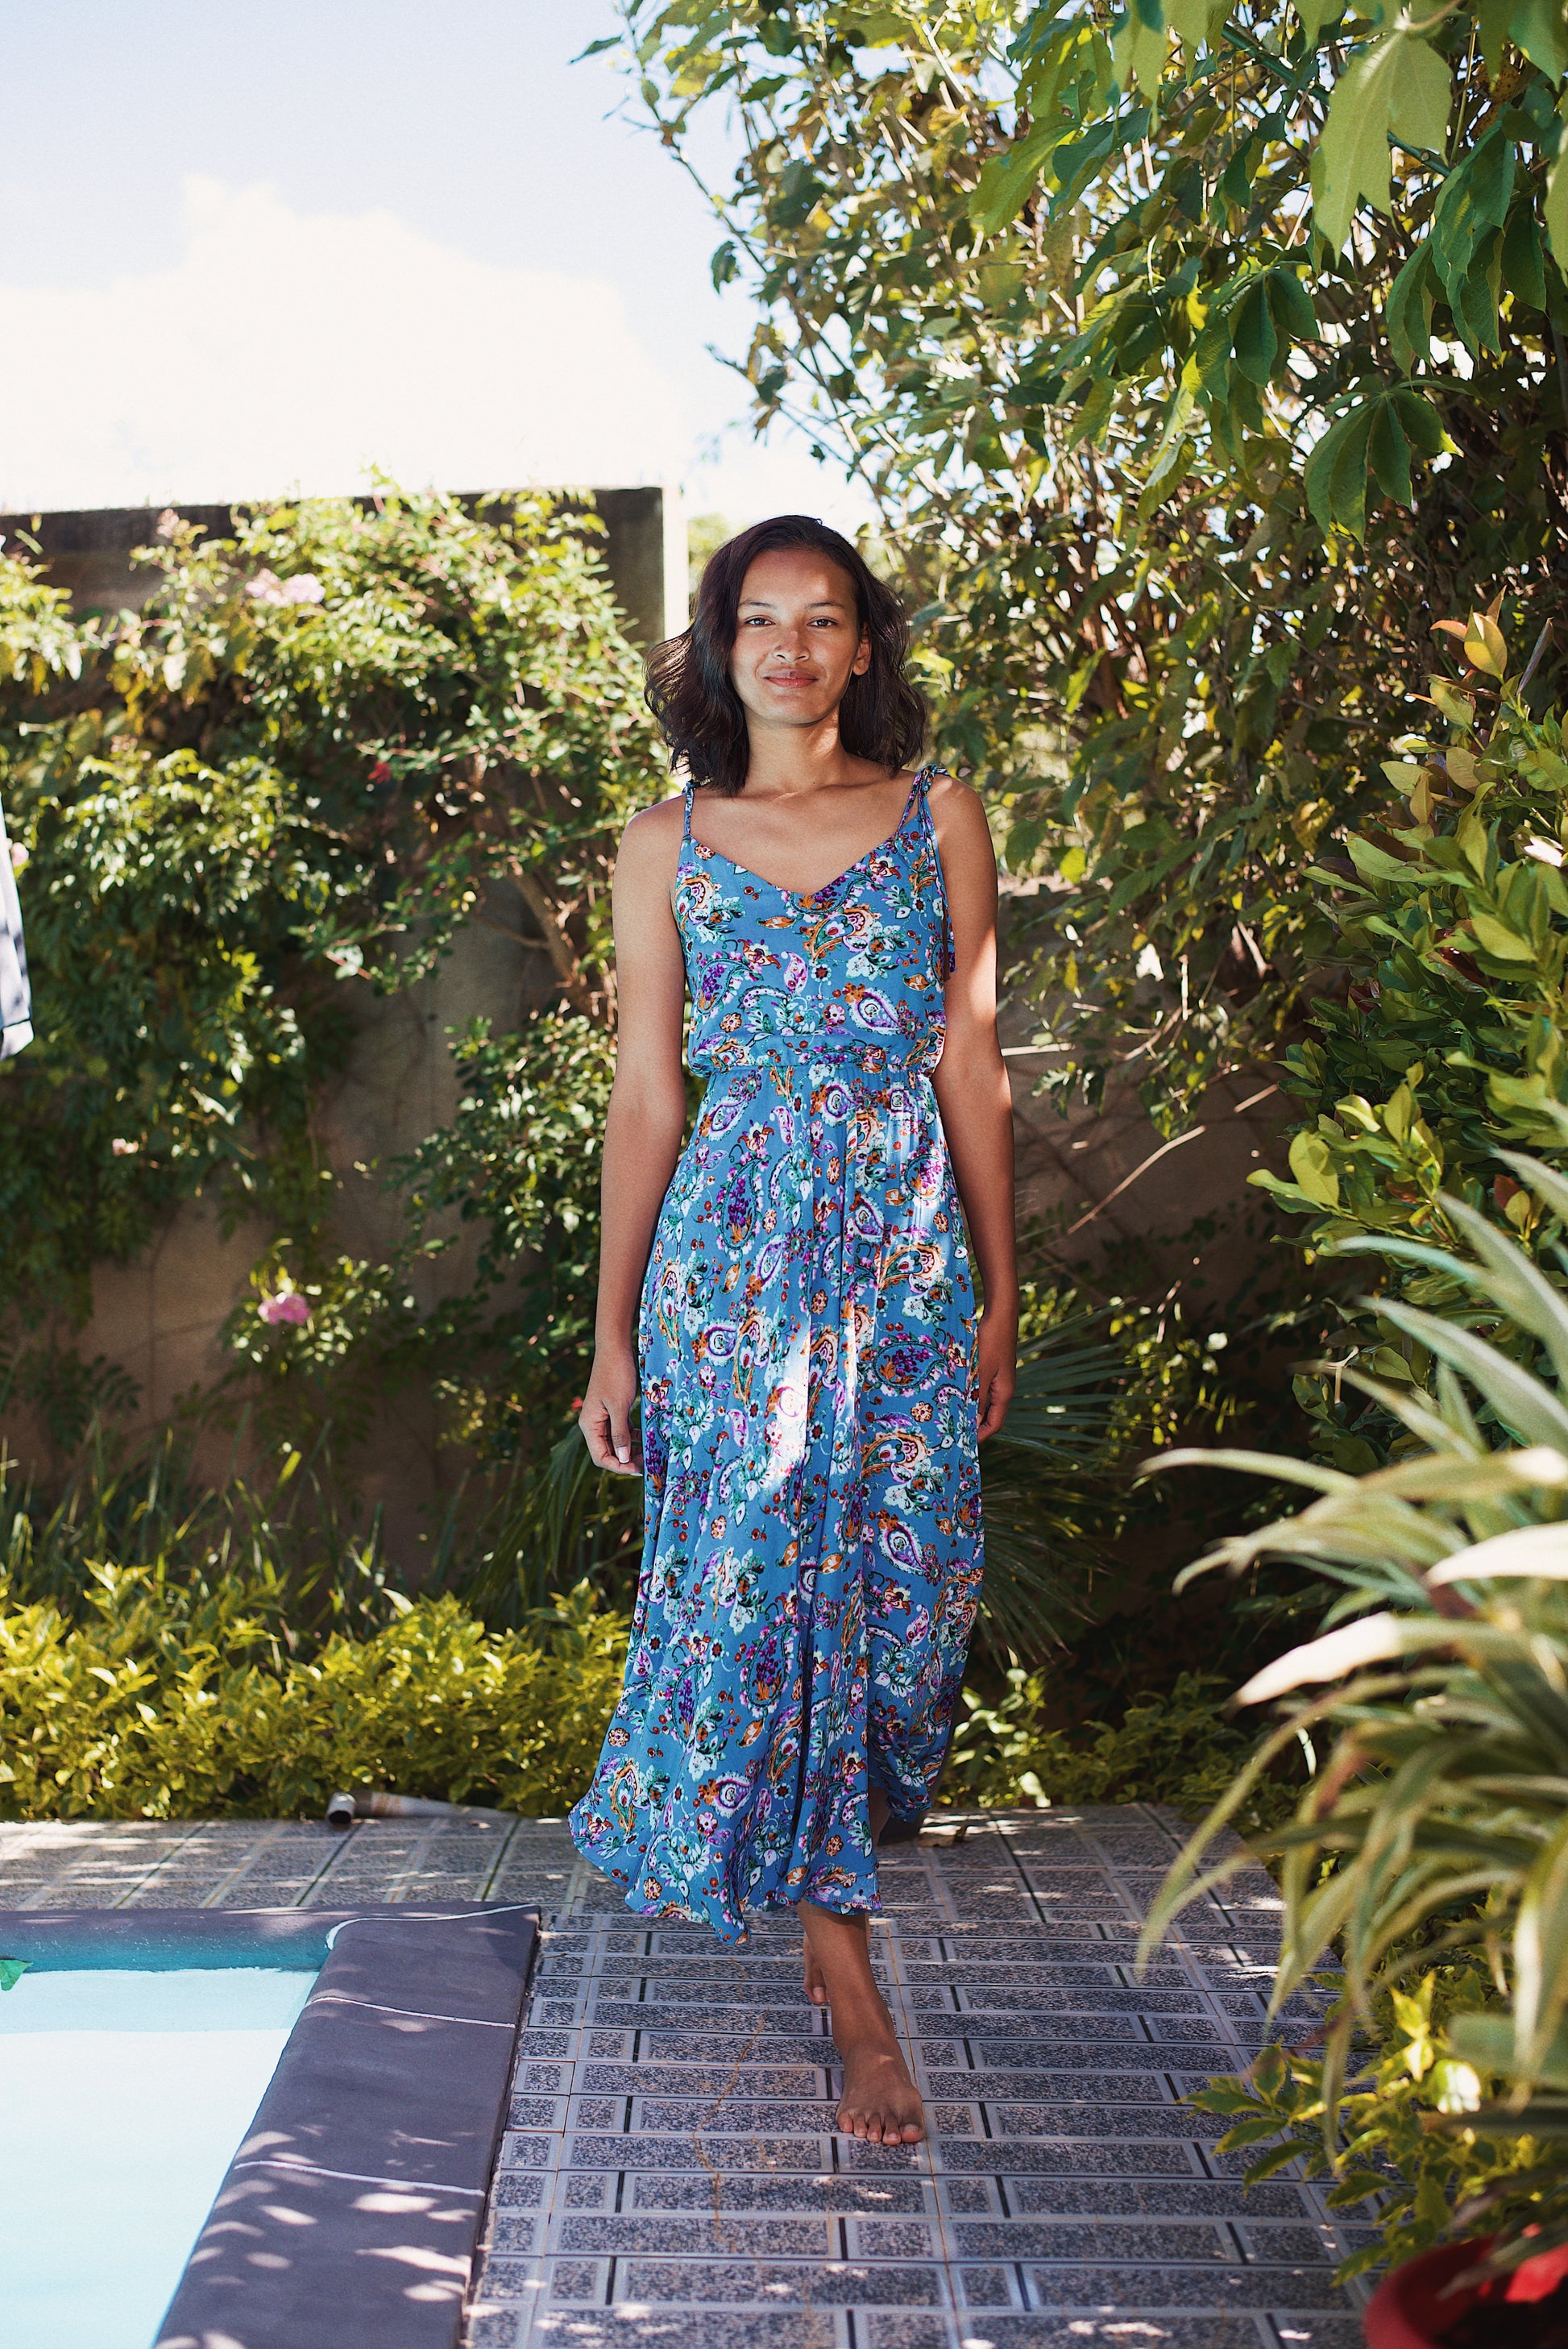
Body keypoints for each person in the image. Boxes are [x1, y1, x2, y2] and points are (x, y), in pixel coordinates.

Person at [569, 514, 1017, 2148]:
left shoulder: (939, 814)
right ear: (721, 646)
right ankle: (850, 1989)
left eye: (823, 619)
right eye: (760, 619)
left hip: (900, 1255)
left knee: (904, 1595)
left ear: (862, 646)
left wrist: (1000, 1291)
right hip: (734, 1264)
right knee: (763, 1580)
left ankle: (832, 1915)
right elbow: (646, 1094)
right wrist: (612, 1337)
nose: (791, 647)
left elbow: (970, 1059)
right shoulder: (663, 844)